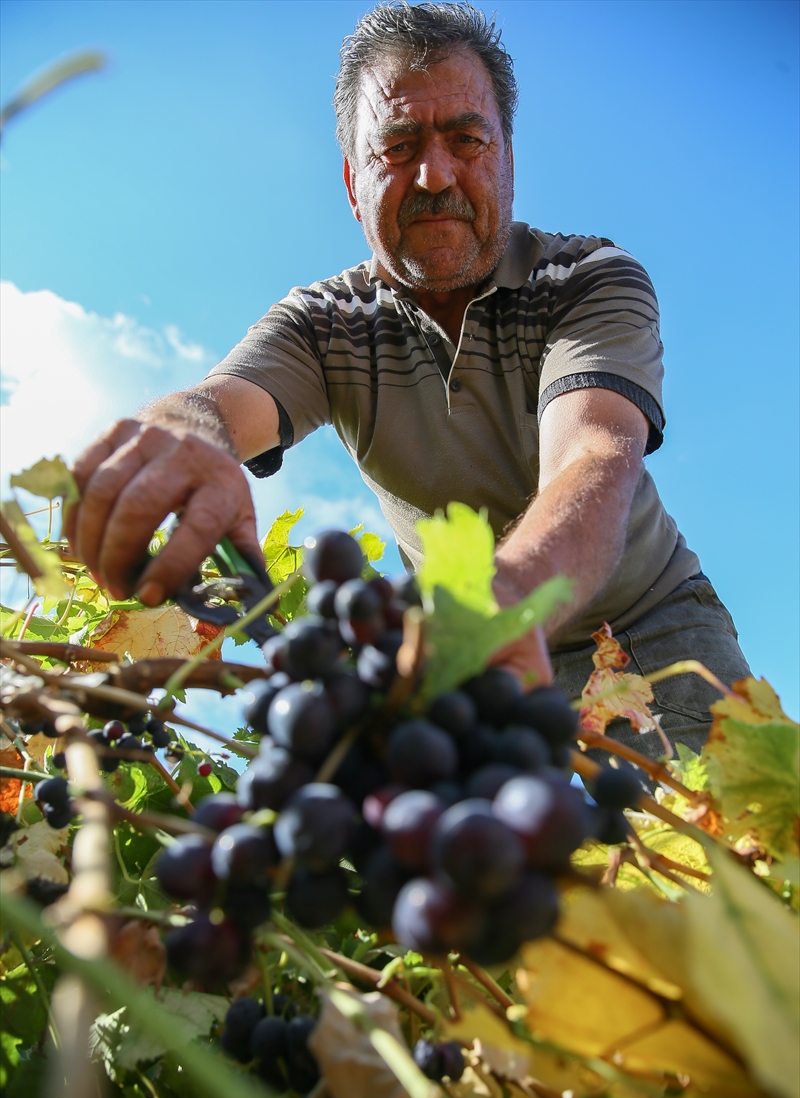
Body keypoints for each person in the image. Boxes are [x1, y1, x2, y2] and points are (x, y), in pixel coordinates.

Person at [66, 1, 749, 757]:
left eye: (467, 138)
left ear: (507, 157)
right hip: (460, 664)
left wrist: (506, 600)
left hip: (652, 629)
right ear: (354, 182)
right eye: (398, 145)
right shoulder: (325, 322)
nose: (435, 174)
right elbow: (221, 405)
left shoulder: (588, 279)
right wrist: (182, 440)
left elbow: (595, 453)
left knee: (724, 856)